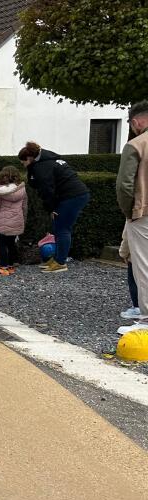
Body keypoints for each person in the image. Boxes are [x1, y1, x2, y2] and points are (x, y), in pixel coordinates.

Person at [19, 141, 90, 273]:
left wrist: (51, 208)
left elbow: (46, 190)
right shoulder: (49, 159)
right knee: (58, 228)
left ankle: (60, 262)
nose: (23, 165)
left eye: (23, 162)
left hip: (72, 197)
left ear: (29, 158)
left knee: (63, 228)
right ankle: (57, 258)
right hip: (76, 195)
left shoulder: (41, 167)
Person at [115, 100, 148, 333]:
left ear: (136, 121)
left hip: (143, 213)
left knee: (143, 266)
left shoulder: (136, 145)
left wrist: (129, 212)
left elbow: (124, 185)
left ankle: (146, 320)